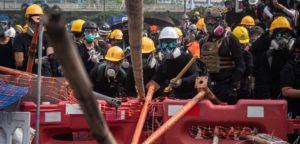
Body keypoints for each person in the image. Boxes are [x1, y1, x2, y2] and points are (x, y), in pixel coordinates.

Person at [201, 7, 246, 104]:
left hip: (225, 86)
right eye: (207, 20)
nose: (209, 23)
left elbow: (241, 65)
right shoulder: (204, 41)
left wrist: (233, 86)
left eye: (212, 20)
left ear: (220, 21)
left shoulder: (230, 39)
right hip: (208, 87)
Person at [148, 27, 199, 99]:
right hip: (174, 97)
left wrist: (181, 81)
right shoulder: (165, 62)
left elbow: (196, 75)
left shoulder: (187, 57)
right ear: (160, 45)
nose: (168, 48)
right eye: (164, 45)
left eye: (171, 44)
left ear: (177, 43)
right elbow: (156, 79)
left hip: (190, 97)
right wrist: (147, 92)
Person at [254, 16, 295, 99]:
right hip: (274, 99)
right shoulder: (268, 56)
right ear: (272, 35)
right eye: (279, 33)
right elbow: (263, 81)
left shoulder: (295, 54)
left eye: (286, 34)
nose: (283, 38)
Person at [13, 4, 54, 76]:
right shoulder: (19, 38)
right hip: (26, 77)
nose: (38, 25)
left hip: (44, 77)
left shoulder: (47, 36)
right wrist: (35, 61)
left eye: (40, 22)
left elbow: (50, 51)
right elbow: (19, 63)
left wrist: (52, 56)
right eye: (34, 23)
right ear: (27, 21)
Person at [232, 26, 254, 99]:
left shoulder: (247, 55)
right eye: (240, 44)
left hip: (243, 85)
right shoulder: (227, 53)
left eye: (243, 44)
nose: (241, 46)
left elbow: (249, 70)